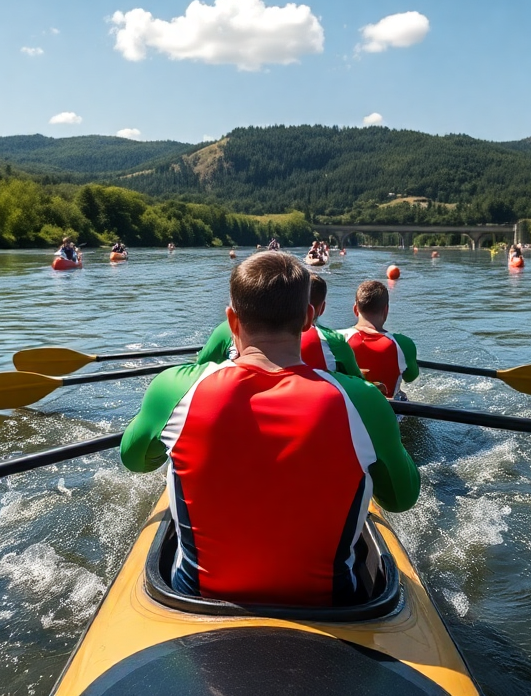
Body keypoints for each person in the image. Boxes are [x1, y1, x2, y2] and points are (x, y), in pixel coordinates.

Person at [121, 252, 419, 606]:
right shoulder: (366, 401)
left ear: (232, 321)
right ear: (309, 318)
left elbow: (135, 461)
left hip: (195, 598)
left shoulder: (172, 388)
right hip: (333, 606)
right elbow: (401, 500)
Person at [198, 273, 363, 379]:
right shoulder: (334, 342)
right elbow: (360, 383)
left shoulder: (224, 330)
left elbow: (199, 367)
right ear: (310, 314)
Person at [340, 280, 419, 400]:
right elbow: (411, 377)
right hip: (392, 411)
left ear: (355, 309)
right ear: (386, 310)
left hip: (350, 408)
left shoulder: (337, 339)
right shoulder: (403, 344)